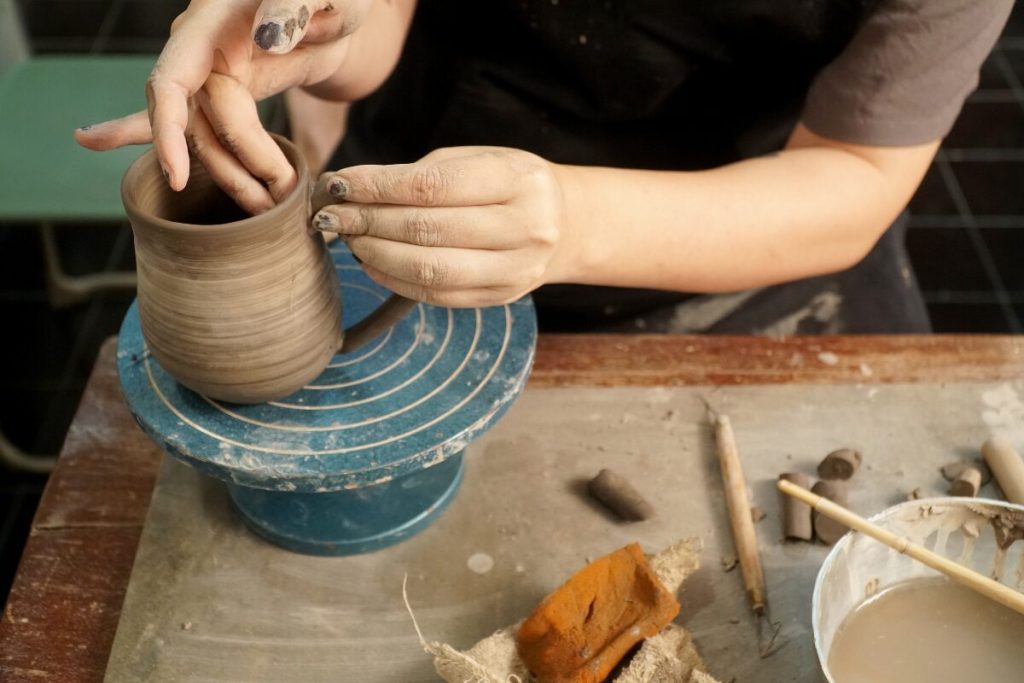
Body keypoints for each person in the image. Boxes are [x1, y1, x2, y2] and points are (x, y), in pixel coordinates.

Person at [76, 0, 1013, 334]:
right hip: (416, 183)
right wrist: (323, 37)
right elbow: (384, 23)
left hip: (742, 234)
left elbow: (855, 170)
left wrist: (572, 219)